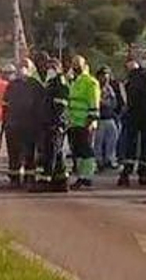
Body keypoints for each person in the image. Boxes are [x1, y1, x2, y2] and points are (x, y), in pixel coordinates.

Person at [2, 60, 45, 187]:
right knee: (13, 153)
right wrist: (6, 122)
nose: (23, 69)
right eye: (21, 66)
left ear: (31, 69)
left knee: (29, 154)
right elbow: (6, 105)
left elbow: (40, 106)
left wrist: (39, 125)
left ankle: (29, 178)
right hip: (13, 125)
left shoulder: (36, 85)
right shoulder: (12, 85)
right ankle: (14, 178)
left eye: (25, 66)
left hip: (30, 126)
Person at [35, 55, 71, 192]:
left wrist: (55, 123)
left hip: (55, 124)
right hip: (49, 123)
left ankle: (45, 180)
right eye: (48, 67)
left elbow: (60, 106)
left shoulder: (59, 83)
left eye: (52, 67)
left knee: (50, 153)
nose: (49, 69)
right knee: (57, 153)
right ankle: (61, 182)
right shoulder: (50, 82)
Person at [65, 56, 100, 189]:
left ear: (84, 65)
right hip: (73, 122)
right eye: (73, 64)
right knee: (77, 151)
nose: (75, 67)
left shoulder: (90, 82)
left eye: (77, 65)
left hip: (85, 122)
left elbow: (94, 102)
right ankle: (81, 176)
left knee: (86, 150)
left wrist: (91, 120)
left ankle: (87, 176)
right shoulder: (73, 81)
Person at [94, 66, 124, 173]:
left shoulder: (110, 88)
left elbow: (115, 102)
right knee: (98, 141)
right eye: (103, 76)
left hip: (110, 117)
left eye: (107, 76)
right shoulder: (96, 87)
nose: (105, 79)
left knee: (112, 140)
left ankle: (109, 160)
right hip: (100, 118)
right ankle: (98, 161)